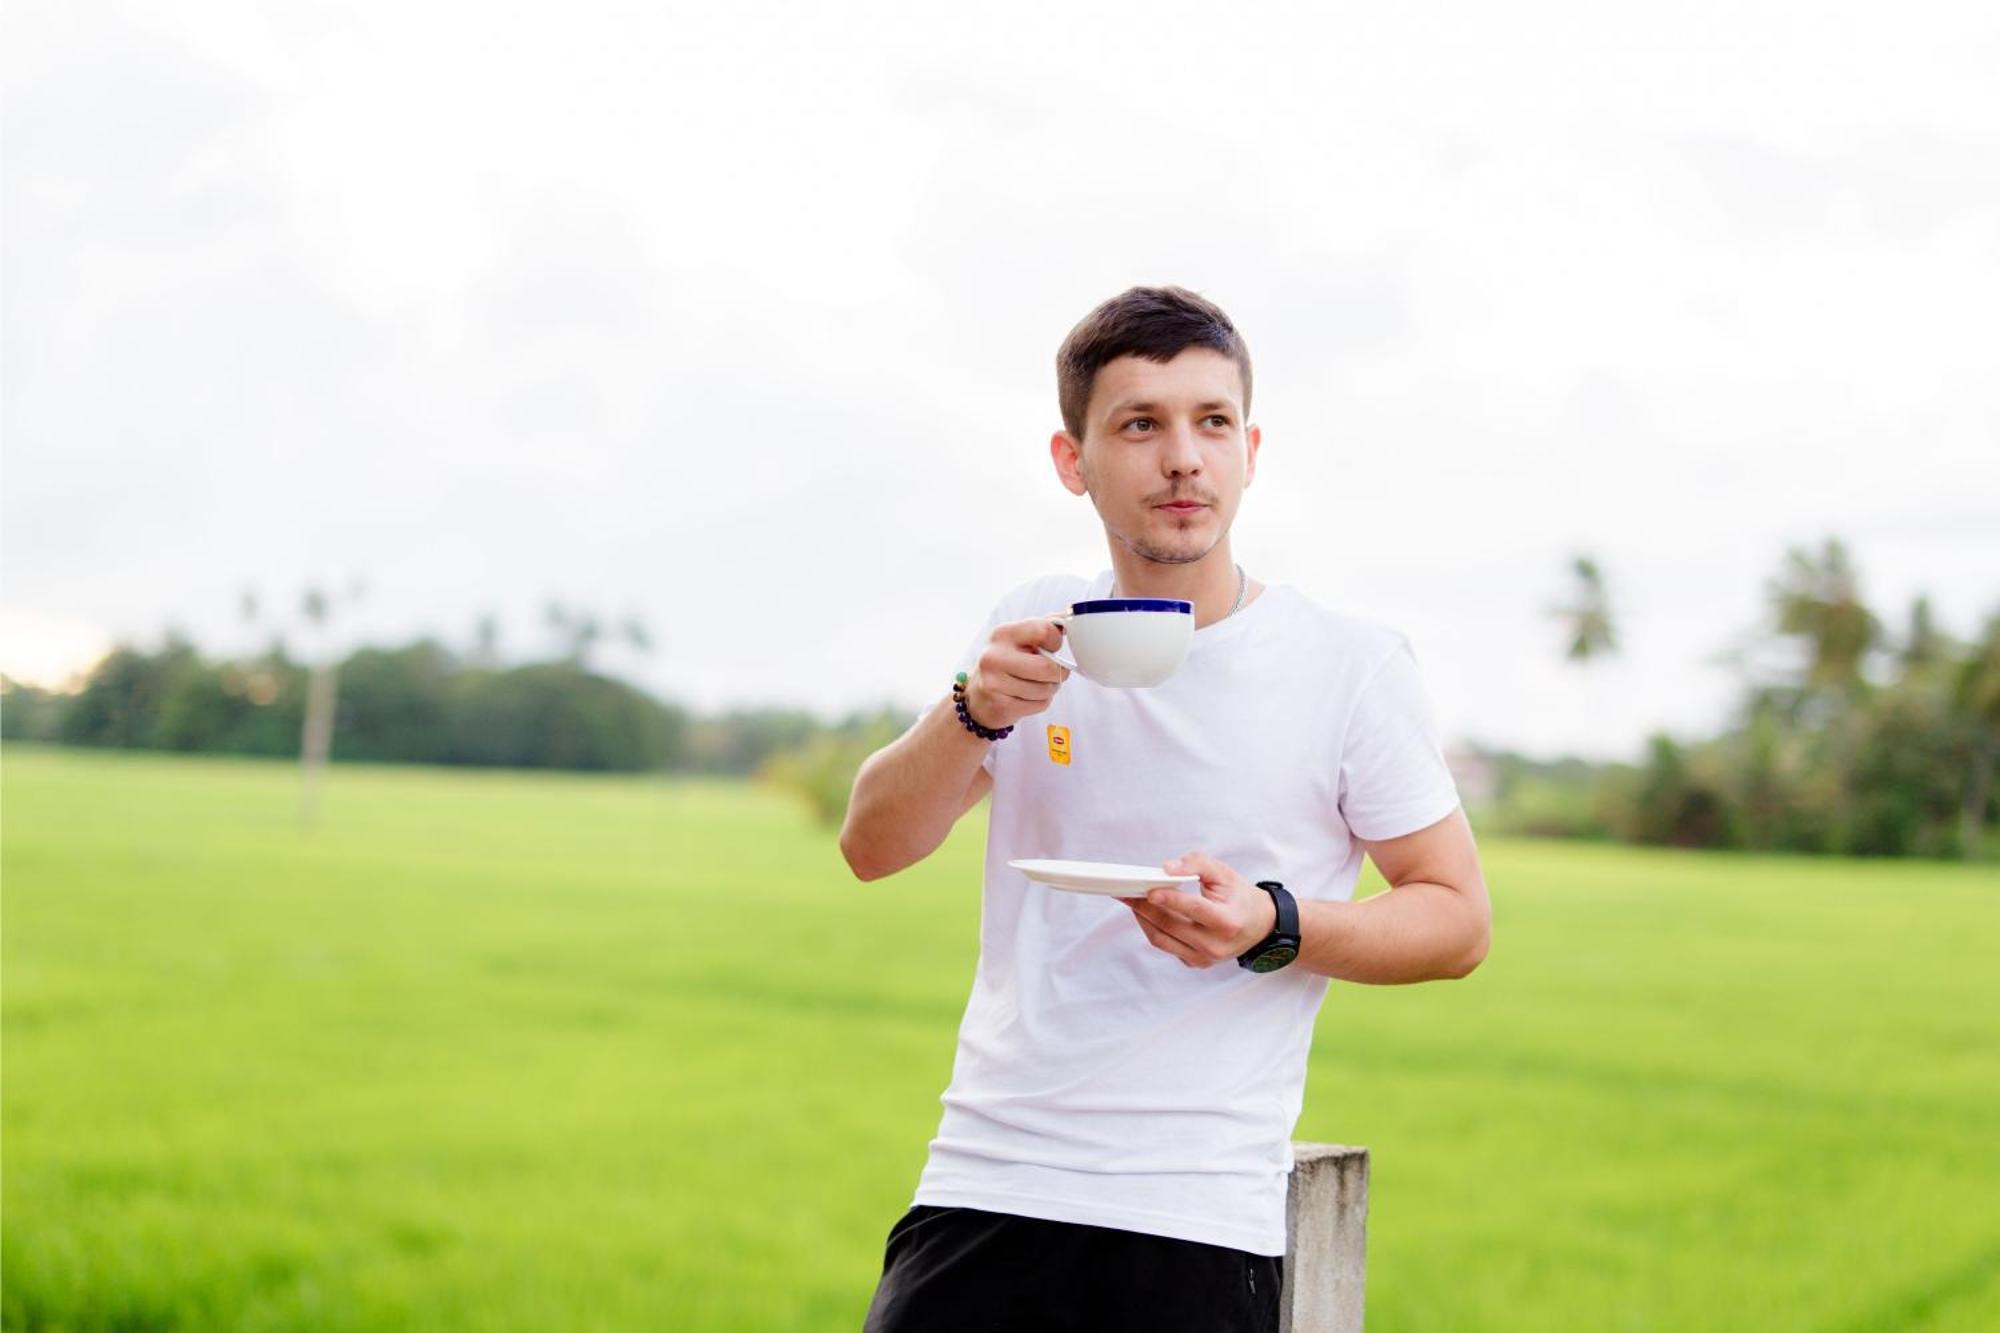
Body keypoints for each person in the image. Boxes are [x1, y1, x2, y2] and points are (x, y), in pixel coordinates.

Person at [841, 285, 1492, 1332]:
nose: (1182, 456)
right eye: (1140, 424)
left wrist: (1272, 923)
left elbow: (1456, 918)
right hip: (985, 1179)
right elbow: (871, 844)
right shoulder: (1031, 627)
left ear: (1249, 448)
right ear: (1072, 460)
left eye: (1211, 421)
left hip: (1194, 1214)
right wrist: (970, 709)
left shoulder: (1346, 665)